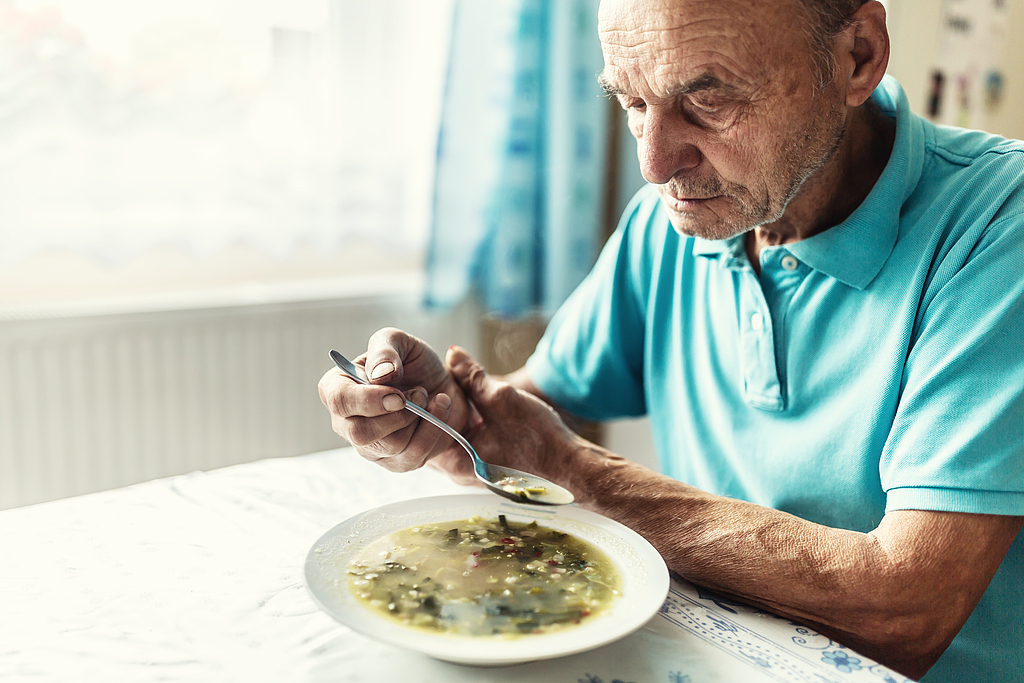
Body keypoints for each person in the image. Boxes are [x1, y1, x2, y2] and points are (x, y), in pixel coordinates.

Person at [318, 0, 1024, 680]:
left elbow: (907, 606)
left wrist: (578, 472)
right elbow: (525, 418)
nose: (655, 164)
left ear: (857, 57)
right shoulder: (673, 221)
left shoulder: (1001, 227)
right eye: (630, 101)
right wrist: (440, 417)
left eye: (708, 99)